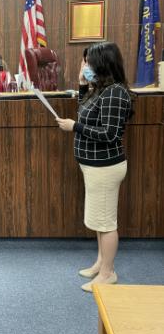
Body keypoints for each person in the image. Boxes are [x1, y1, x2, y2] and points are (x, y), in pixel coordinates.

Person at [56, 42, 132, 292]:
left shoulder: (114, 92)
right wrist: (81, 83)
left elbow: (110, 134)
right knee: (99, 219)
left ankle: (108, 273)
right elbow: (84, 112)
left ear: (102, 64)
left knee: (106, 221)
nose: (85, 66)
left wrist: (74, 127)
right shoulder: (99, 89)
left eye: (88, 62)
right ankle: (101, 262)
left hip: (106, 167)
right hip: (93, 166)